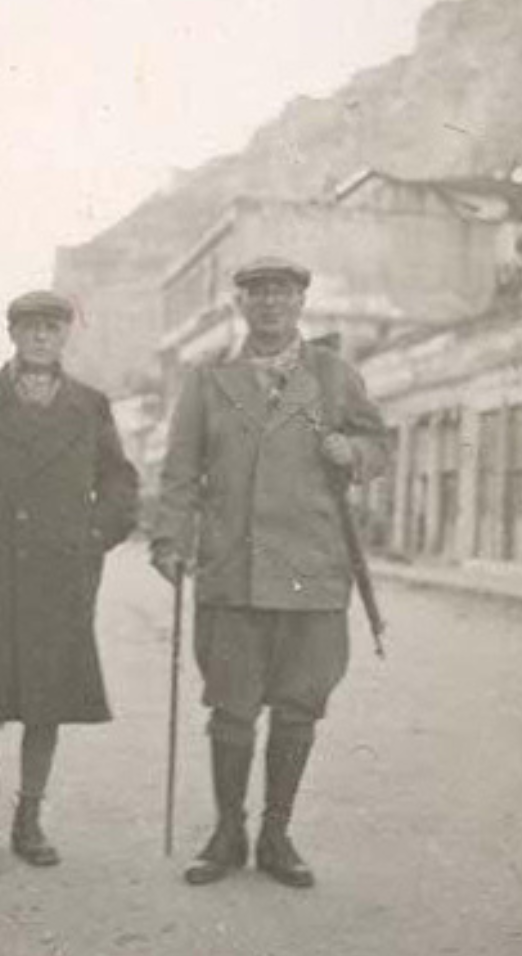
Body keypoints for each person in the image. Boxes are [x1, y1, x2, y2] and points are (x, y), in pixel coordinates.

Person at [150, 256, 388, 889]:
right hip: (234, 570)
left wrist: (354, 452)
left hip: (314, 573)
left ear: (301, 302)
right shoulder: (208, 381)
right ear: (242, 306)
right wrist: (170, 542)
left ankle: (276, 835)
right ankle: (228, 833)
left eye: (282, 293)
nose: (270, 305)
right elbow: (179, 474)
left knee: (298, 708)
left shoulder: (335, 377)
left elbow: (380, 444)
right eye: (257, 295)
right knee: (230, 709)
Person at [0, 290, 139, 868]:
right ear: (13, 334)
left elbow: (120, 482)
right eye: (30, 327)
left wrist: (94, 536)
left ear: (66, 334)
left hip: (61, 577)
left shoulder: (91, 407)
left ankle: (29, 821)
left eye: (51, 326)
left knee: (46, 701)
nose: (41, 337)